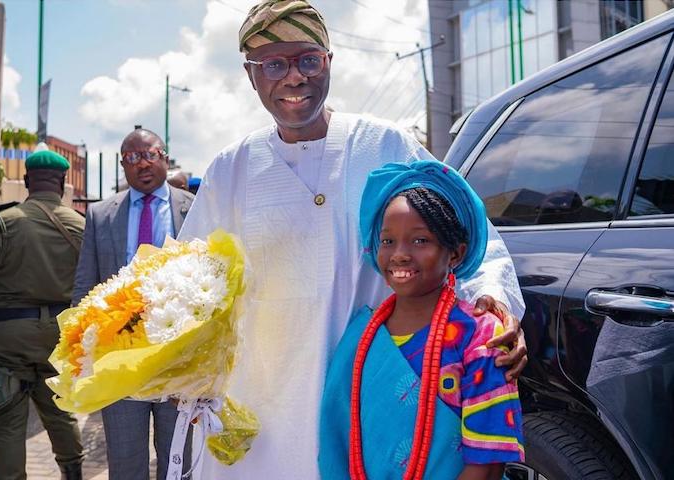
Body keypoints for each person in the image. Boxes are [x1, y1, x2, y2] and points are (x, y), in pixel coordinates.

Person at [178, 1, 527, 477]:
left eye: (308, 59)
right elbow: (186, 286)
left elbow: (467, 231)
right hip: (262, 413)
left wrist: (494, 305)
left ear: (329, 61)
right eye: (274, 64)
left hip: (377, 396)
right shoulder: (231, 169)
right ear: (251, 74)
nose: (294, 77)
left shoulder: (384, 146)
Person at [319, 161, 524, 479]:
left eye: (420, 240)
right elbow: (338, 443)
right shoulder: (361, 339)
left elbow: (486, 464)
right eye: (387, 241)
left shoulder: (480, 337)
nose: (399, 254)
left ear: (455, 254)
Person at [72, 126, 194, 480]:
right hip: (119, 356)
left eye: (150, 154)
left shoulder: (195, 207)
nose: (141, 163)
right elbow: (85, 282)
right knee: (125, 464)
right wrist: (82, 351)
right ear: (122, 165)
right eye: (132, 157)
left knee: (178, 462)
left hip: (178, 358)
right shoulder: (99, 215)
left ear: (165, 158)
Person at [0, 149, 85, 479]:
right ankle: (74, 472)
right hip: (61, 335)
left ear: (26, 181)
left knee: (6, 418)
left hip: (8, 337)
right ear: (63, 182)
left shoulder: (4, 222)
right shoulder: (82, 225)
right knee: (61, 409)